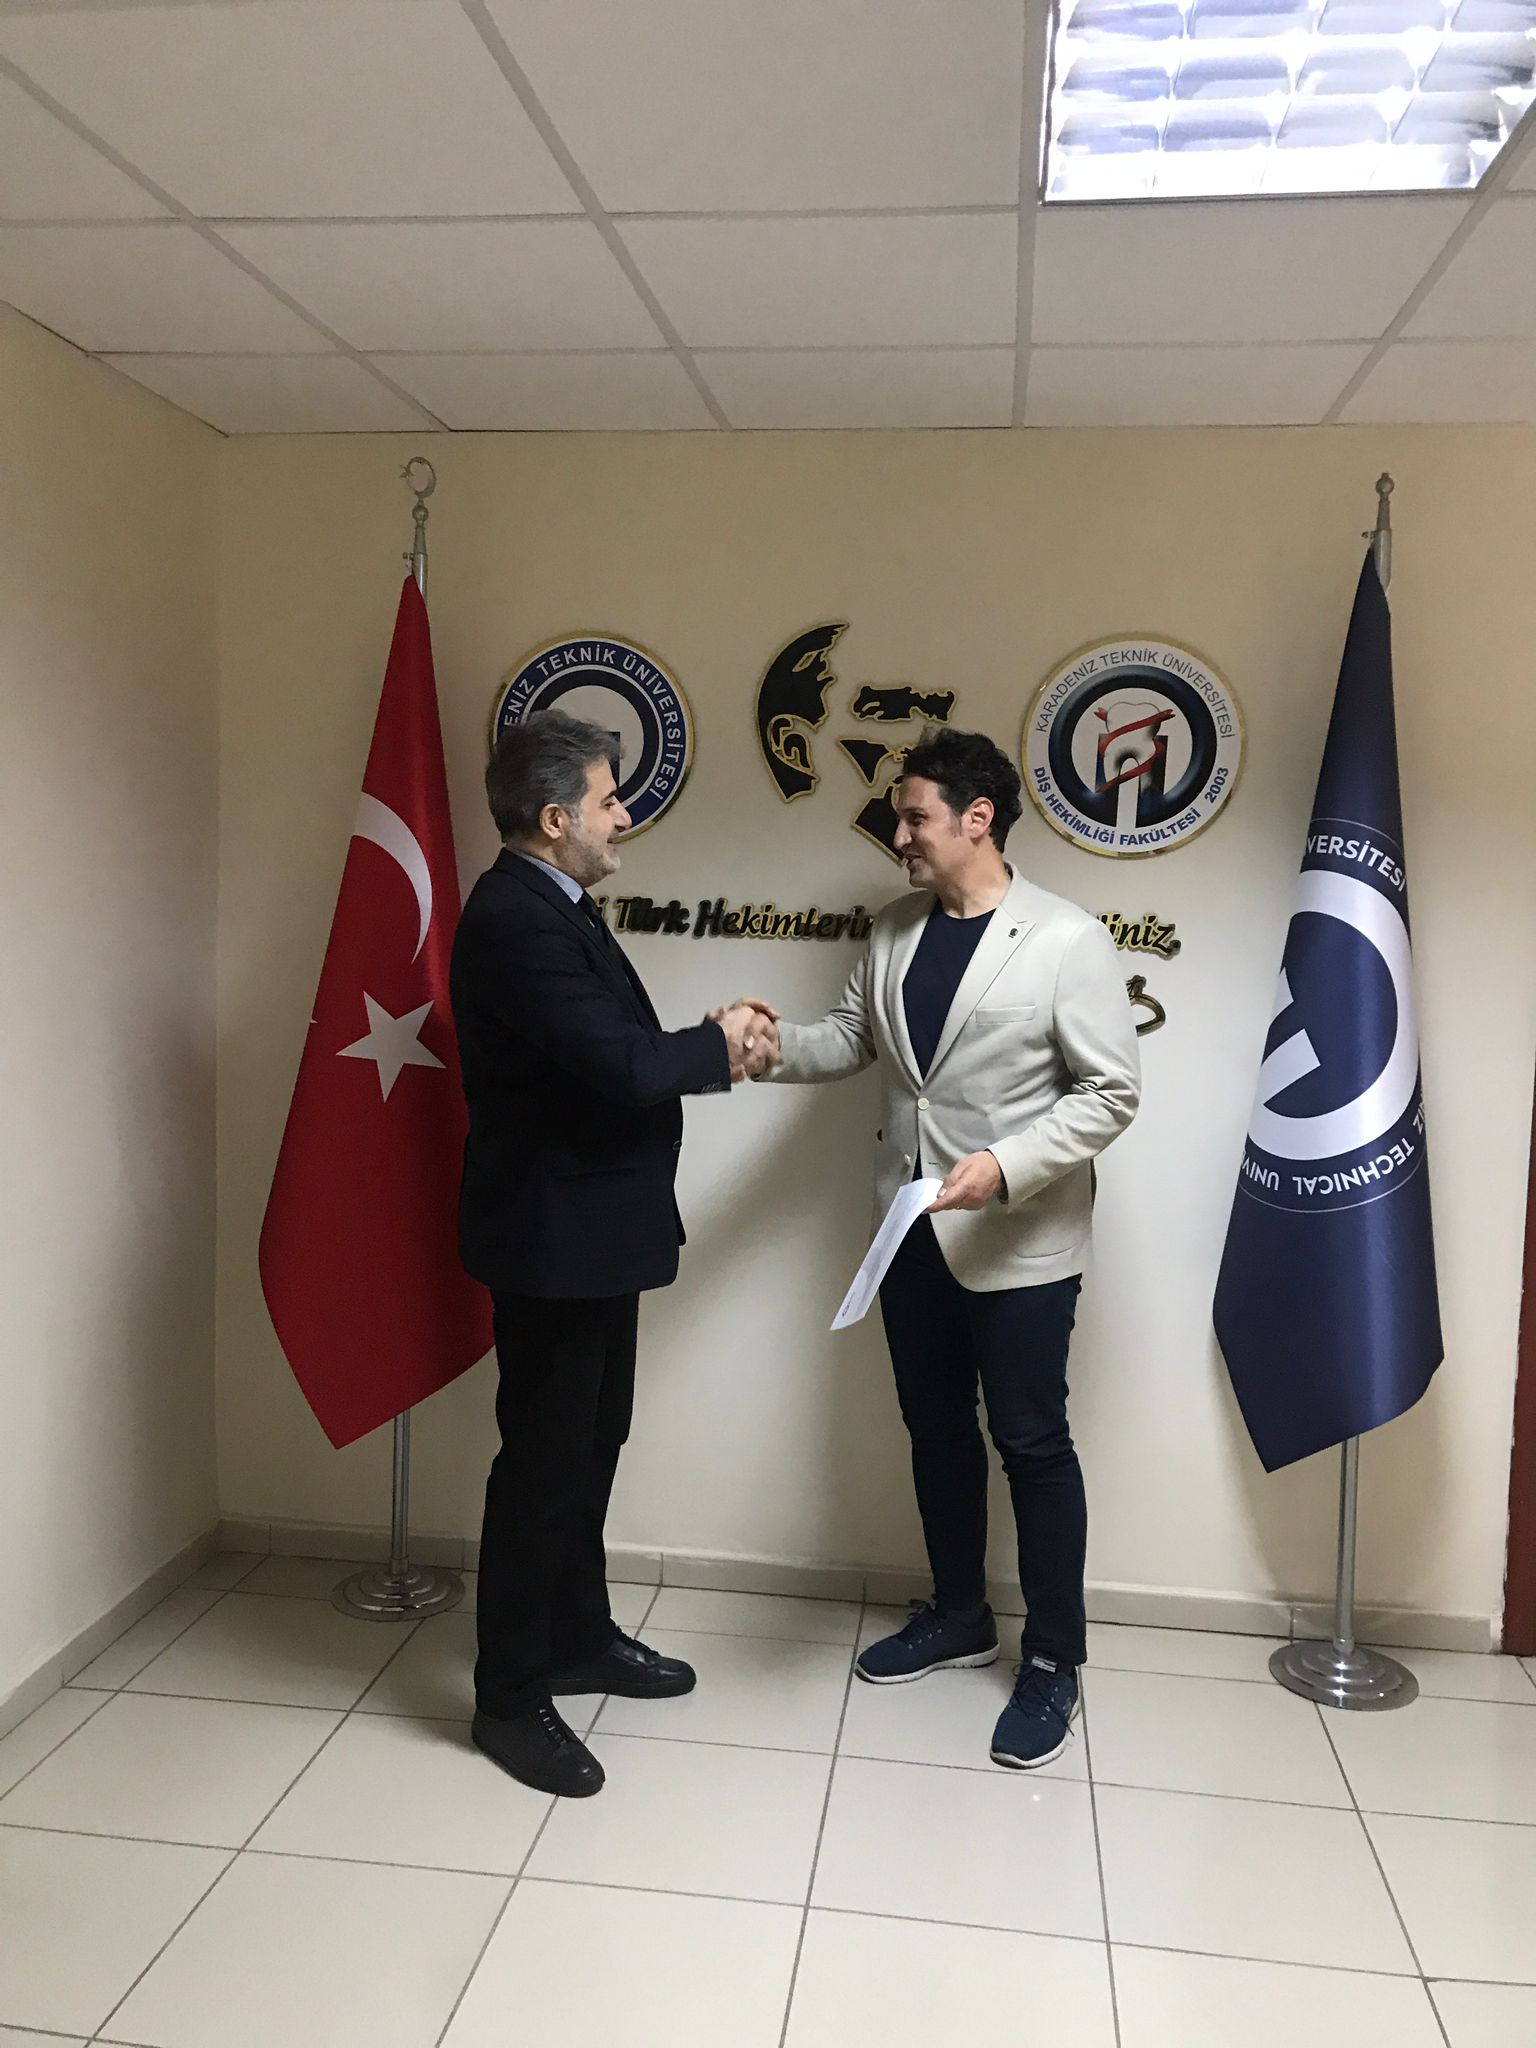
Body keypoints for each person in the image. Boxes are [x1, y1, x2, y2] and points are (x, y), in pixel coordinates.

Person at [755, 726, 1139, 1769]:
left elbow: (1111, 1091)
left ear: (978, 819)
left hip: (1020, 1241)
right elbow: (851, 1039)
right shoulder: (893, 930)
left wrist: (1005, 1166)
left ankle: (1053, 1657)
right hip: (910, 1235)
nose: (899, 834)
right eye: (899, 817)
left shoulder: (1065, 938)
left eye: (914, 816)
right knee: (934, 1428)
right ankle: (961, 1612)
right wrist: (767, 1046)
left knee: (1031, 1441)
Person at [450, 710, 776, 1798]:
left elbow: (619, 1050)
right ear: (556, 819)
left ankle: (577, 1638)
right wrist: (717, 1047)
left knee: (591, 1445)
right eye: (608, 799)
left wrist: (701, 1043)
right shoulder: (514, 918)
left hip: (592, 1236)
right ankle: (508, 1696)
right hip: (551, 1243)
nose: (623, 815)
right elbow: (621, 1065)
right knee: (542, 1465)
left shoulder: (557, 905)